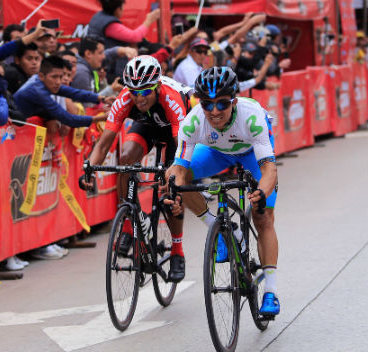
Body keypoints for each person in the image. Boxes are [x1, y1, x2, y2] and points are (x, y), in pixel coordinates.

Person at [165, 66, 280, 316]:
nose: (214, 111)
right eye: (207, 104)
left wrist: (260, 192)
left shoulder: (251, 117)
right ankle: (218, 227)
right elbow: (178, 168)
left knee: (263, 218)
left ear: (234, 101)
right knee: (182, 177)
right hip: (217, 153)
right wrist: (172, 191)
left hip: (252, 154)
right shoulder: (193, 121)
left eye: (222, 104)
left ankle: (270, 291)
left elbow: (270, 170)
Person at [80, 55, 192, 282]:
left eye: (145, 92)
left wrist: (171, 174)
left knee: (172, 193)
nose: (138, 98)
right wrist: (89, 169)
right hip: (147, 126)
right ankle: (129, 222)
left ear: (157, 86)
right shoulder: (125, 98)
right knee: (125, 159)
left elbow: (182, 148)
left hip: (176, 134)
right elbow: (103, 143)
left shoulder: (172, 98)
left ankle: (177, 251)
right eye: (133, 92)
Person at [14, 56, 113, 133]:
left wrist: (103, 98)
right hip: (14, 130)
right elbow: (67, 118)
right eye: (54, 77)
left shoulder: (45, 81)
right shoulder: (38, 91)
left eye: (60, 77)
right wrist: (100, 118)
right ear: (41, 76)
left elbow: (74, 93)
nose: (58, 82)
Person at [87, 0, 160, 76]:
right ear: (118, 9)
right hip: (109, 69)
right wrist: (149, 20)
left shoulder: (98, 17)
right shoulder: (111, 25)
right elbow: (135, 37)